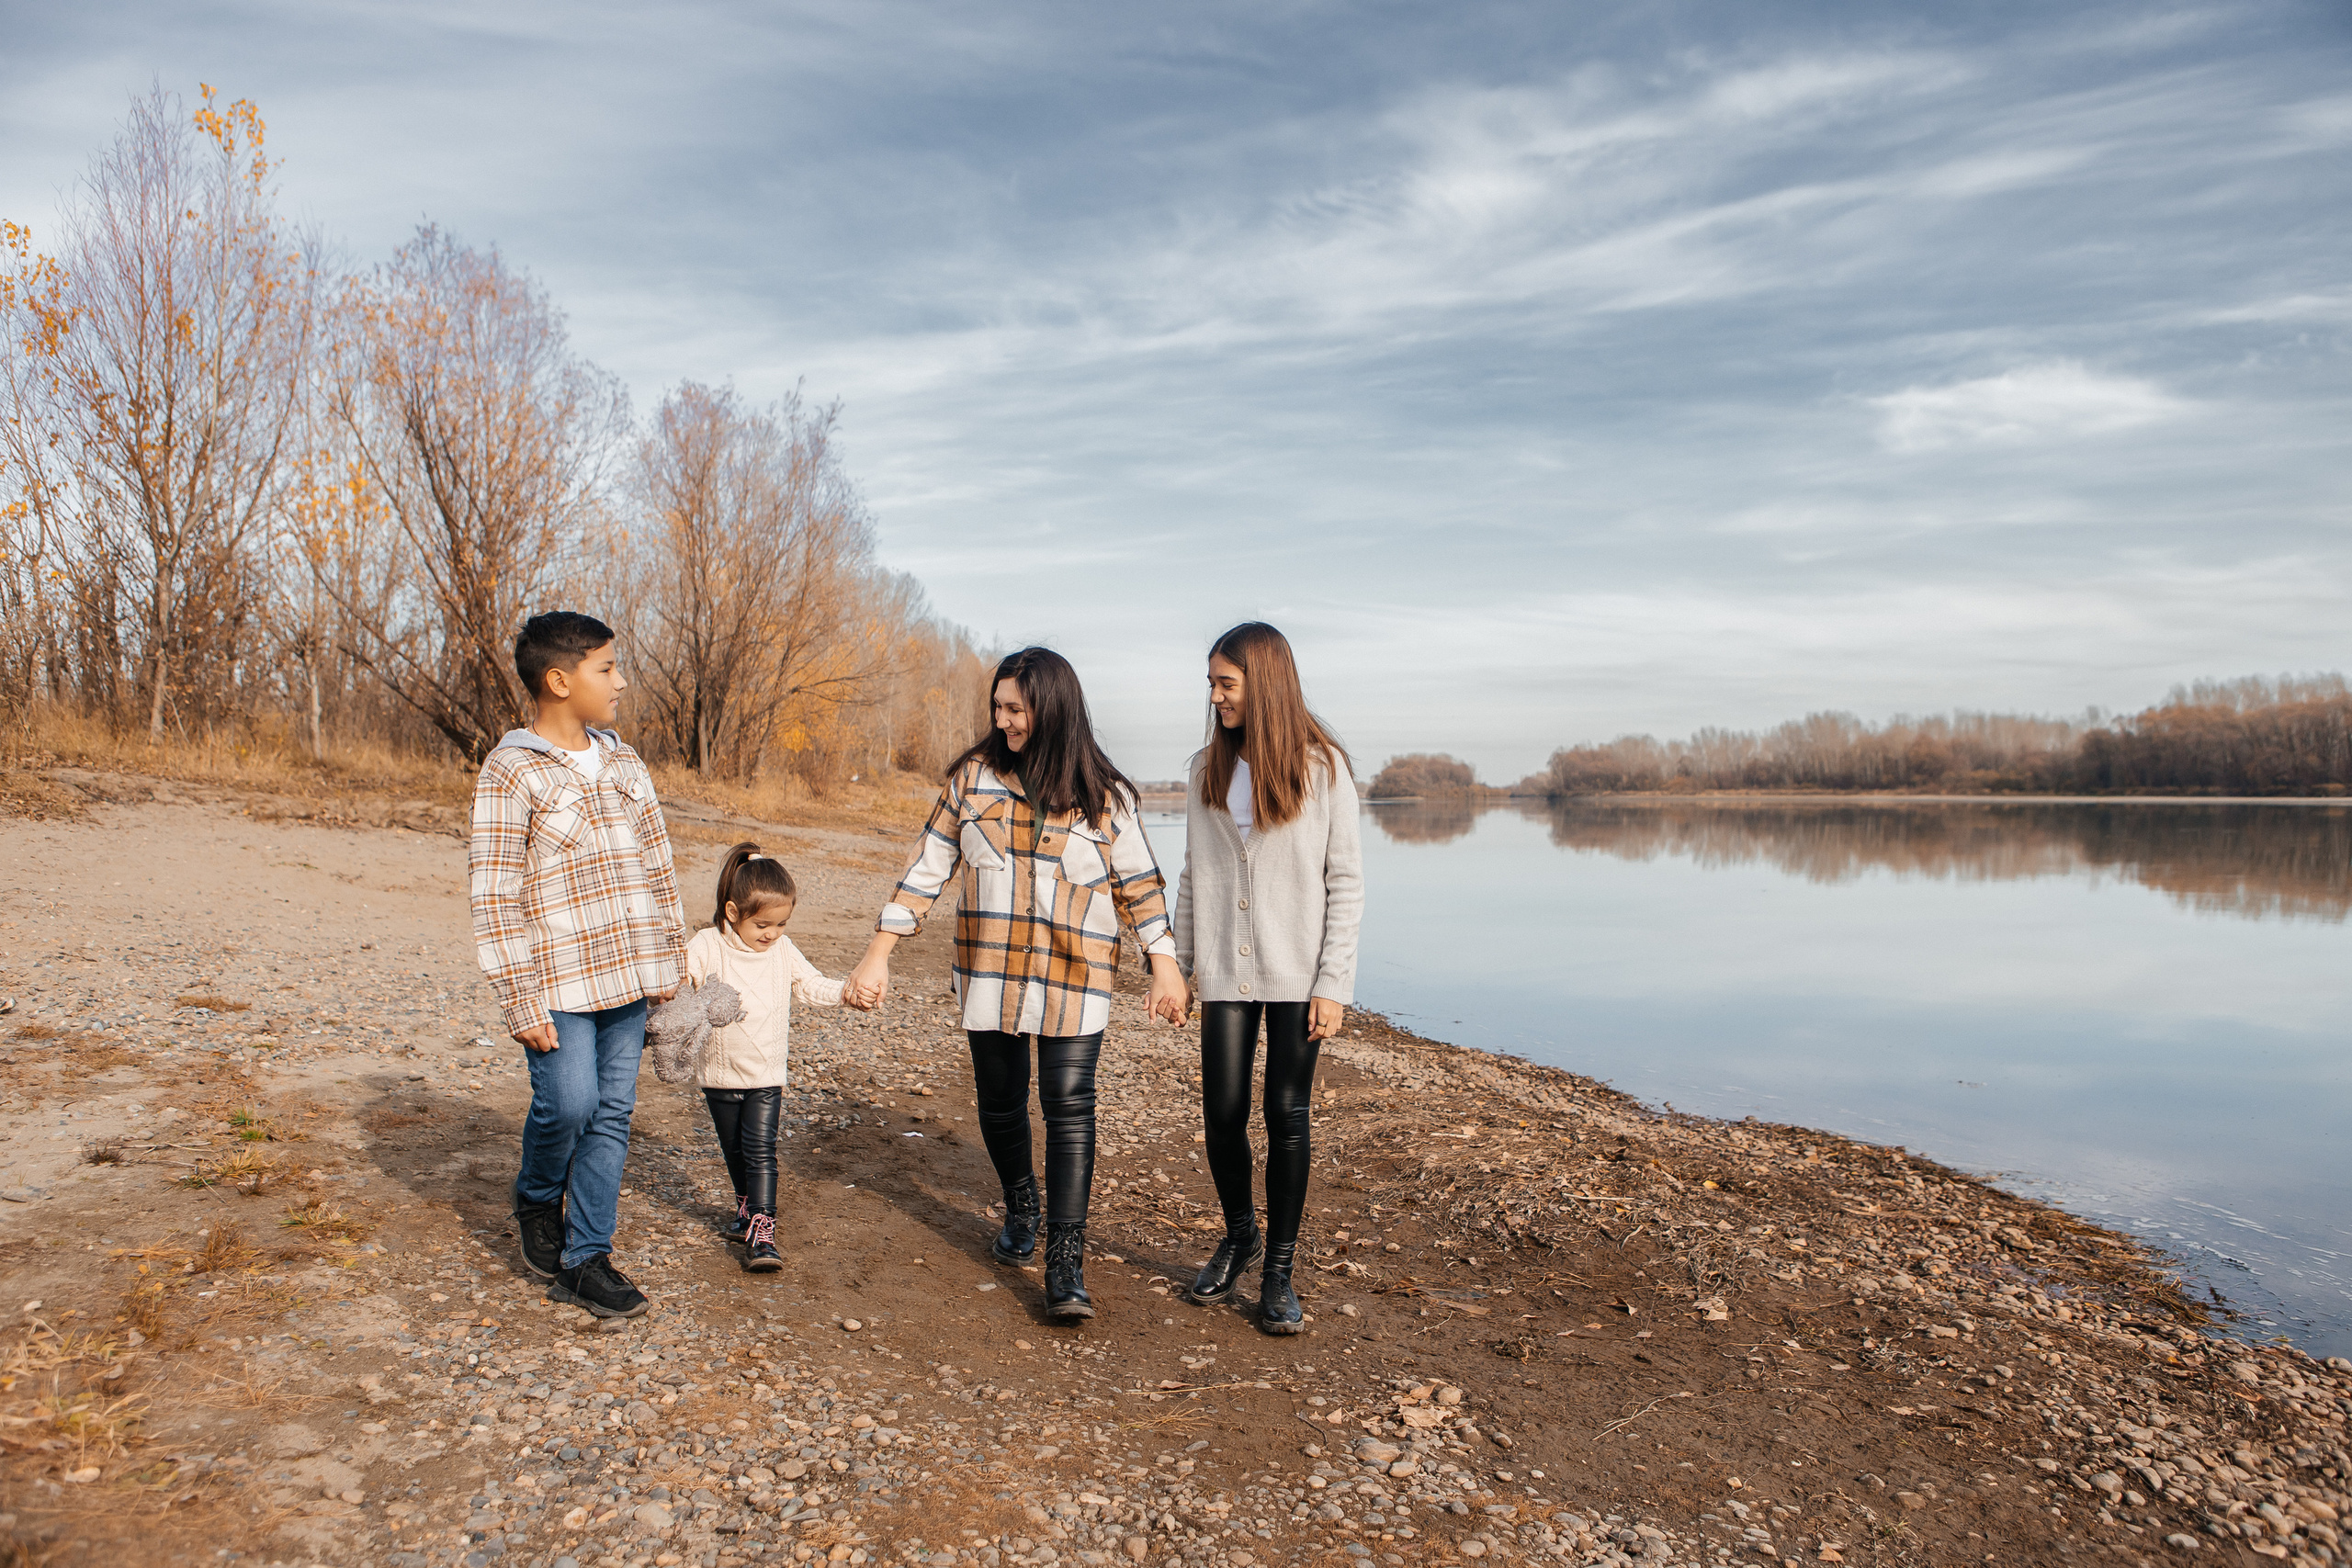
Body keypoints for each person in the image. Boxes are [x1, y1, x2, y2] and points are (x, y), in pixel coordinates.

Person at [843, 647, 1188, 1320]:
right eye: (997, 708)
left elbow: (1141, 887)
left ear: (1052, 709)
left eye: (1015, 709)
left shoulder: (1105, 796)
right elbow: (927, 867)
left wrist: (1164, 964)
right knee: (1000, 1102)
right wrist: (878, 952)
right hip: (989, 970)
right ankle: (1022, 1202)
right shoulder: (972, 780)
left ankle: (1065, 1260)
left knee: (1070, 1106)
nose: (1002, 721)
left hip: (1076, 977)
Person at [470, 611, 685, 1321]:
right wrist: (519, 997)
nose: (620, 682)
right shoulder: (512, 770)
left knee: (612, 1112)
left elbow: (658, 866)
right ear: (560, 681)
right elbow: (494, 892)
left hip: (628, 974)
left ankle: (586, 1254)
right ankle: (537, 1197)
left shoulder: (625, 764)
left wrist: (671, 961)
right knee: (569, 1103)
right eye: (607, 668)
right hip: (558, 980)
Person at [1173, 622, 1363, 1335]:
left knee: (1287, 1115)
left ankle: (1278, 1271)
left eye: (1226, 683)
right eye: (1212, 683)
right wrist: (1179, 967)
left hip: (1298, 973)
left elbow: (1346, 882)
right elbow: (1192, 875)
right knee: (1222, 1113)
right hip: (1225, 968)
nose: (1214, 696)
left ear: (1265, 683)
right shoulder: (1206, 769)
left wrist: (1333, 983)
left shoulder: (1325, 769)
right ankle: (1241, 1234)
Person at [684, 842, 847, 1272]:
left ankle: (763, 1231)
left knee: (760, 1151)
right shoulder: (706, 945)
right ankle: (745, 1208)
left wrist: (847, 992)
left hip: (765, 1076)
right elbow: (679, 984)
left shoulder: (782, 950)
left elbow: (810, 984)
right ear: (733, 912)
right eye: (762, 924)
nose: (772, 933)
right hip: (719, 1075)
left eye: (781, 924)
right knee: (734, 1150)